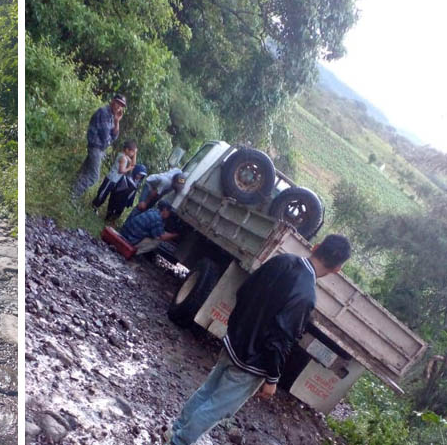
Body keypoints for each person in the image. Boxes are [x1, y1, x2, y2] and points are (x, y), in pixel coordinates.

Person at [162, 234, 352, 445]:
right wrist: (272, 379)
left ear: (316, 247)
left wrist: (236, 330)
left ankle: (176, 430)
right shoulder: (307, 295)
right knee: (218, 407)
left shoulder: (282, 260)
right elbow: (280, 339)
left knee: (208, 391)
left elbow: (244, 291)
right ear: (337, 269)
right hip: (252, 363)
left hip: (234, 341)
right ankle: (178, 442)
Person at [71, 94, 126, 200]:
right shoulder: (104, 112)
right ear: (113, 101)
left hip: (99, 149)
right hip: (95, 147)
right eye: (118, 103)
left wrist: (117, 121)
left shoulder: (111, 116)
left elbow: (114, 136)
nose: (119, 107)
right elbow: (106, 138)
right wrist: (110, 139)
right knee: (93, 177)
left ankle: (69, 192)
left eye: (121, 105)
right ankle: (73, 196)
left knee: (84, 171)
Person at [92, 140, 137, 210]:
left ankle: (95, 206)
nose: (132, 154)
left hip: (114, 180)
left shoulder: (124, 156)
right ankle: (95, 205)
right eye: (132, 152)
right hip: (111, 179)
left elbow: (133, 163)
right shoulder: (123, 158)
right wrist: (129, 168)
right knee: (103, 193)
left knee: (105, 193)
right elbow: (121, 171)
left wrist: (135, 153)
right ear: (127, 150)